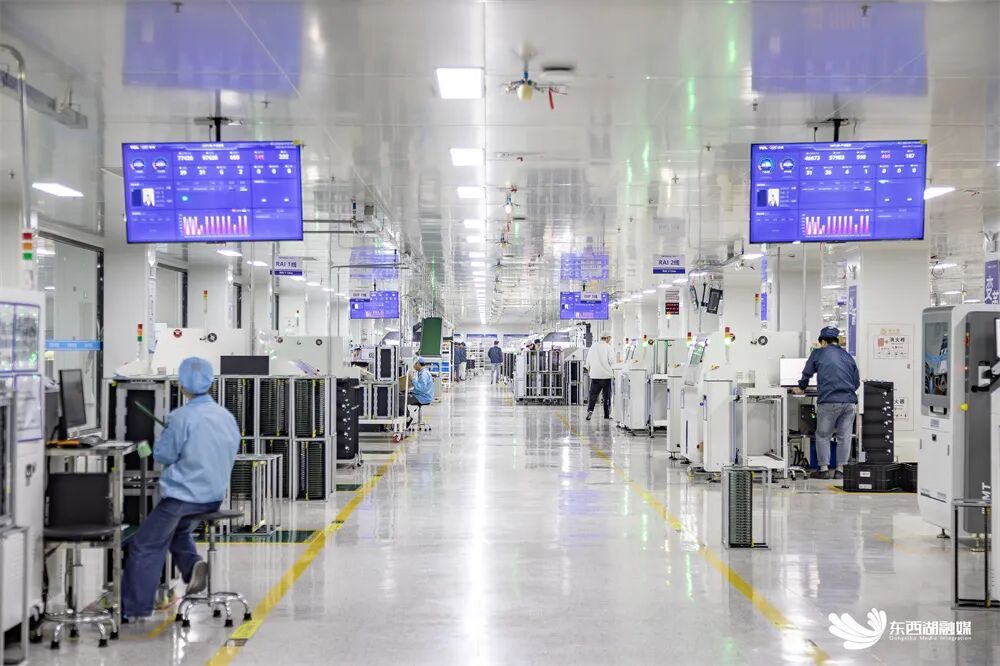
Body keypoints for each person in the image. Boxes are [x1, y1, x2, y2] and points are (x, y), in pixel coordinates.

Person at [122, 357, 240, 620]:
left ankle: (133, 609)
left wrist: (165, 436)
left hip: (183, 497)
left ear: (182, 385)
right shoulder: (225, 416)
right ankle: (192, 565)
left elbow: (163, 455)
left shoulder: (180, 417)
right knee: (178, 531)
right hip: (213, 496)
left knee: (145, 545)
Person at [793, 326, 860, 480]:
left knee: (823, 435)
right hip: (849, 402)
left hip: (829, 401)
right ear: (837, 340)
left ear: (823, 341)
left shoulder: (818, 353)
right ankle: (840, 470)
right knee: (844, 437)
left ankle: (823, 470)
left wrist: (801, 387)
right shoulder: (848, 356)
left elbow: (807, 373)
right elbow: (856, 382)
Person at [584, 334, 616, 421]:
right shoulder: (608, 347)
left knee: (593, 395)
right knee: (606, 397)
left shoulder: (593, 346)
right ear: (607, 338)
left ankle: (590, 410)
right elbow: (612, 361)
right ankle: (607, 414)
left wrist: (588, 368)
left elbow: (588, 359)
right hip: (606, 376)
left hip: (595, 375)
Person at [400, 358, 435, 427]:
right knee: (403, 396)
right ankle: (405, 417)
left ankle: (408, 418)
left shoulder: (424, 374)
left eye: (415, 364)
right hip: (422, 395)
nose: (414, 366)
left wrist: (412, 379)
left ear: (418, 364)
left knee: (400, 399)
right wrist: (411, 391)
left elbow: (421, 388)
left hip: (422, 398)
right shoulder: (423, 372)